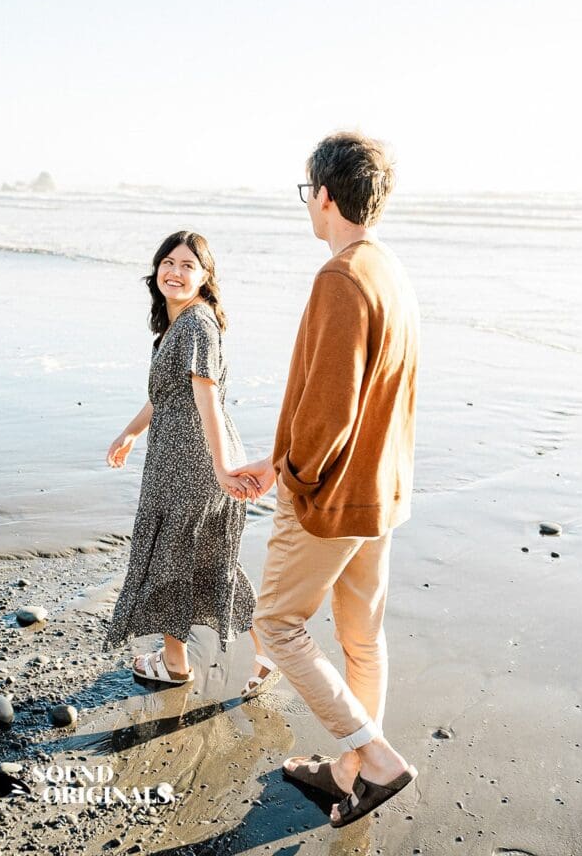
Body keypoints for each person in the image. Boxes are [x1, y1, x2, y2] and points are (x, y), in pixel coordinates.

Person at [234, 132, 420, 827]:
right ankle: (350, 770)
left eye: (305, 191)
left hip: (332, 496)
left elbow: (331, 407)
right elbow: (365, 396)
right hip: (379, 491)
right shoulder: (390, 269)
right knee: (361, 639)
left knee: (276, 625)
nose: (306, 203)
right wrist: (276, 457)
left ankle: (375, 758)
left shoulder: (340, 277)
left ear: (324, 195)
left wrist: (294, 474)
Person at [101, 230, 277, 698]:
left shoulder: (197, 324)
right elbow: (165, 396)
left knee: (181, 556)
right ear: (156, 269)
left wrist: (220, 467)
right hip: (175, 457)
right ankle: (258, 651)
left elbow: (207, 399)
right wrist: (131, 432)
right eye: (169, 263)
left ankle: (181, 663)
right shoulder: (175, 324)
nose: (175, 272)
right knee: (196, 558)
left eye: (187, 265)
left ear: (205, 277)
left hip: (194, 460)